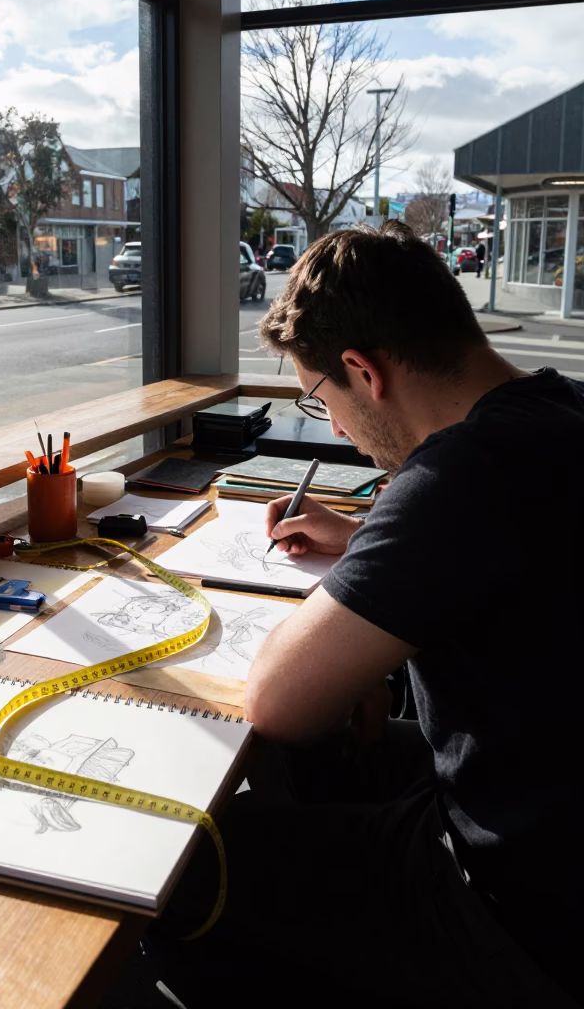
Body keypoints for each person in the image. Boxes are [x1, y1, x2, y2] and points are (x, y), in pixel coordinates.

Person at [105, 222, 584, 1009]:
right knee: (322, 762)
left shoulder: (456, 476)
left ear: (364, 371)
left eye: (320, 397)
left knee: (188, 859)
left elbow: (276, 702)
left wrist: (358, 592)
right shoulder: (561, 409)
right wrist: (368, 544)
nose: (331, 424)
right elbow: (516, 555)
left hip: (516, 909)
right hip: (557, 817)